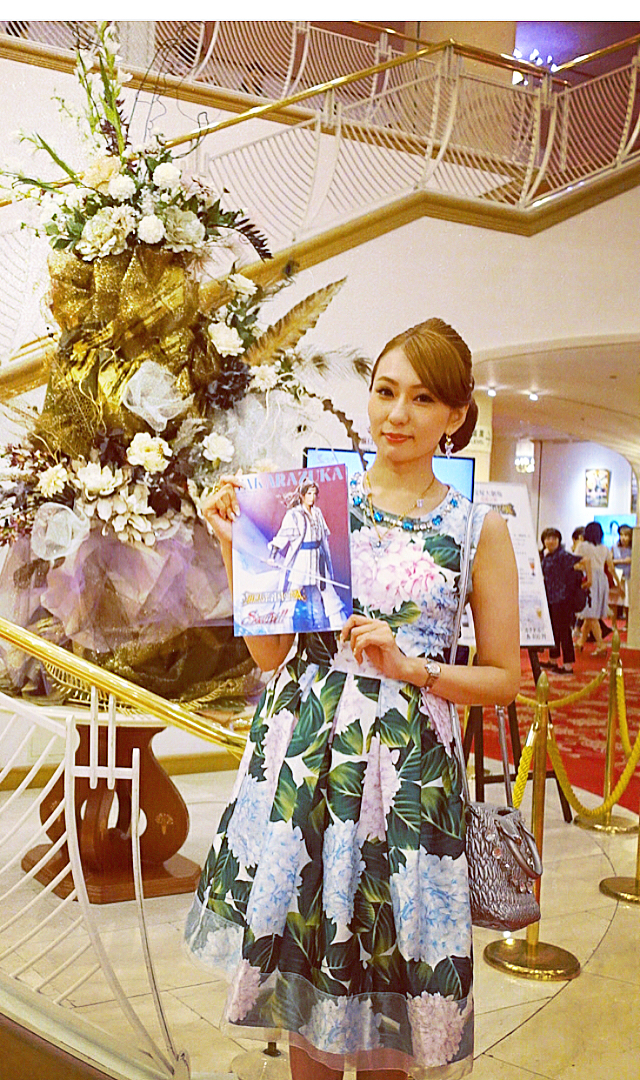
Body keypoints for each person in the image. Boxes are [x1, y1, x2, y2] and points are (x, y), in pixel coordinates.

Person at [185, 318, 520, 1080]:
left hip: (406, 773)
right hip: (307, 759)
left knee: (388, 985)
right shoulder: (313, 504)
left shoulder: (477, 528)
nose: (397, 414)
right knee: (305, 980)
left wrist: (412, 667)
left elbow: (506, 678)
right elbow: (272, 656)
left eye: (422, 398)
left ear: (456, 414)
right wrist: (238, 547)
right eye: (385, 391)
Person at [266, 480, 347, 631]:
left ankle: (339, 625)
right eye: (309, 493)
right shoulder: (294, 515)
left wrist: (326, 557)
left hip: (317, 559)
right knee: (292, 594)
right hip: (301, 559)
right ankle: (282, 627)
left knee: (328, 591)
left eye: (314, 494)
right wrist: (272, 556)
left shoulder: (317, 513)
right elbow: (282, 537)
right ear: (302, 495)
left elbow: (323, 537)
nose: (312, 497)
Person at [539, 527, 582, 674]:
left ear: (559, 540)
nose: (551, 541)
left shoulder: (562, 555)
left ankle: (568, 665)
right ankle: (553, 660)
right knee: (553, 631)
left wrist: (588, 580)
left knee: (564, 632)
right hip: (551, 599)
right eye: (548, 538)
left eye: (554, 538)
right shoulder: (547, 556)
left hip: (563, 599)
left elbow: (583, 561)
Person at [575, 521, 618, 655]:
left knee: (591, 614)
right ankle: (581, 642)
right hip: (602, 580)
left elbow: (575, 562)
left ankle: (601, 645)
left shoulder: (582, 546)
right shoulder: (604, 548)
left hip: (589, 578)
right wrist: (618, 583)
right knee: (590, 614)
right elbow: (610, 567)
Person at [611, 524, 632, 624]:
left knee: (628, 602)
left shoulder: (633, 548)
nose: (623, 538)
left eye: (626, 535)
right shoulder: (615, 547)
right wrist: (623, 561)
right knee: (614, 602)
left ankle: (628, 624)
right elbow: (610, 560)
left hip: (629, 577)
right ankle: (613, 625)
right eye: (621, 535)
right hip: (617, 577)